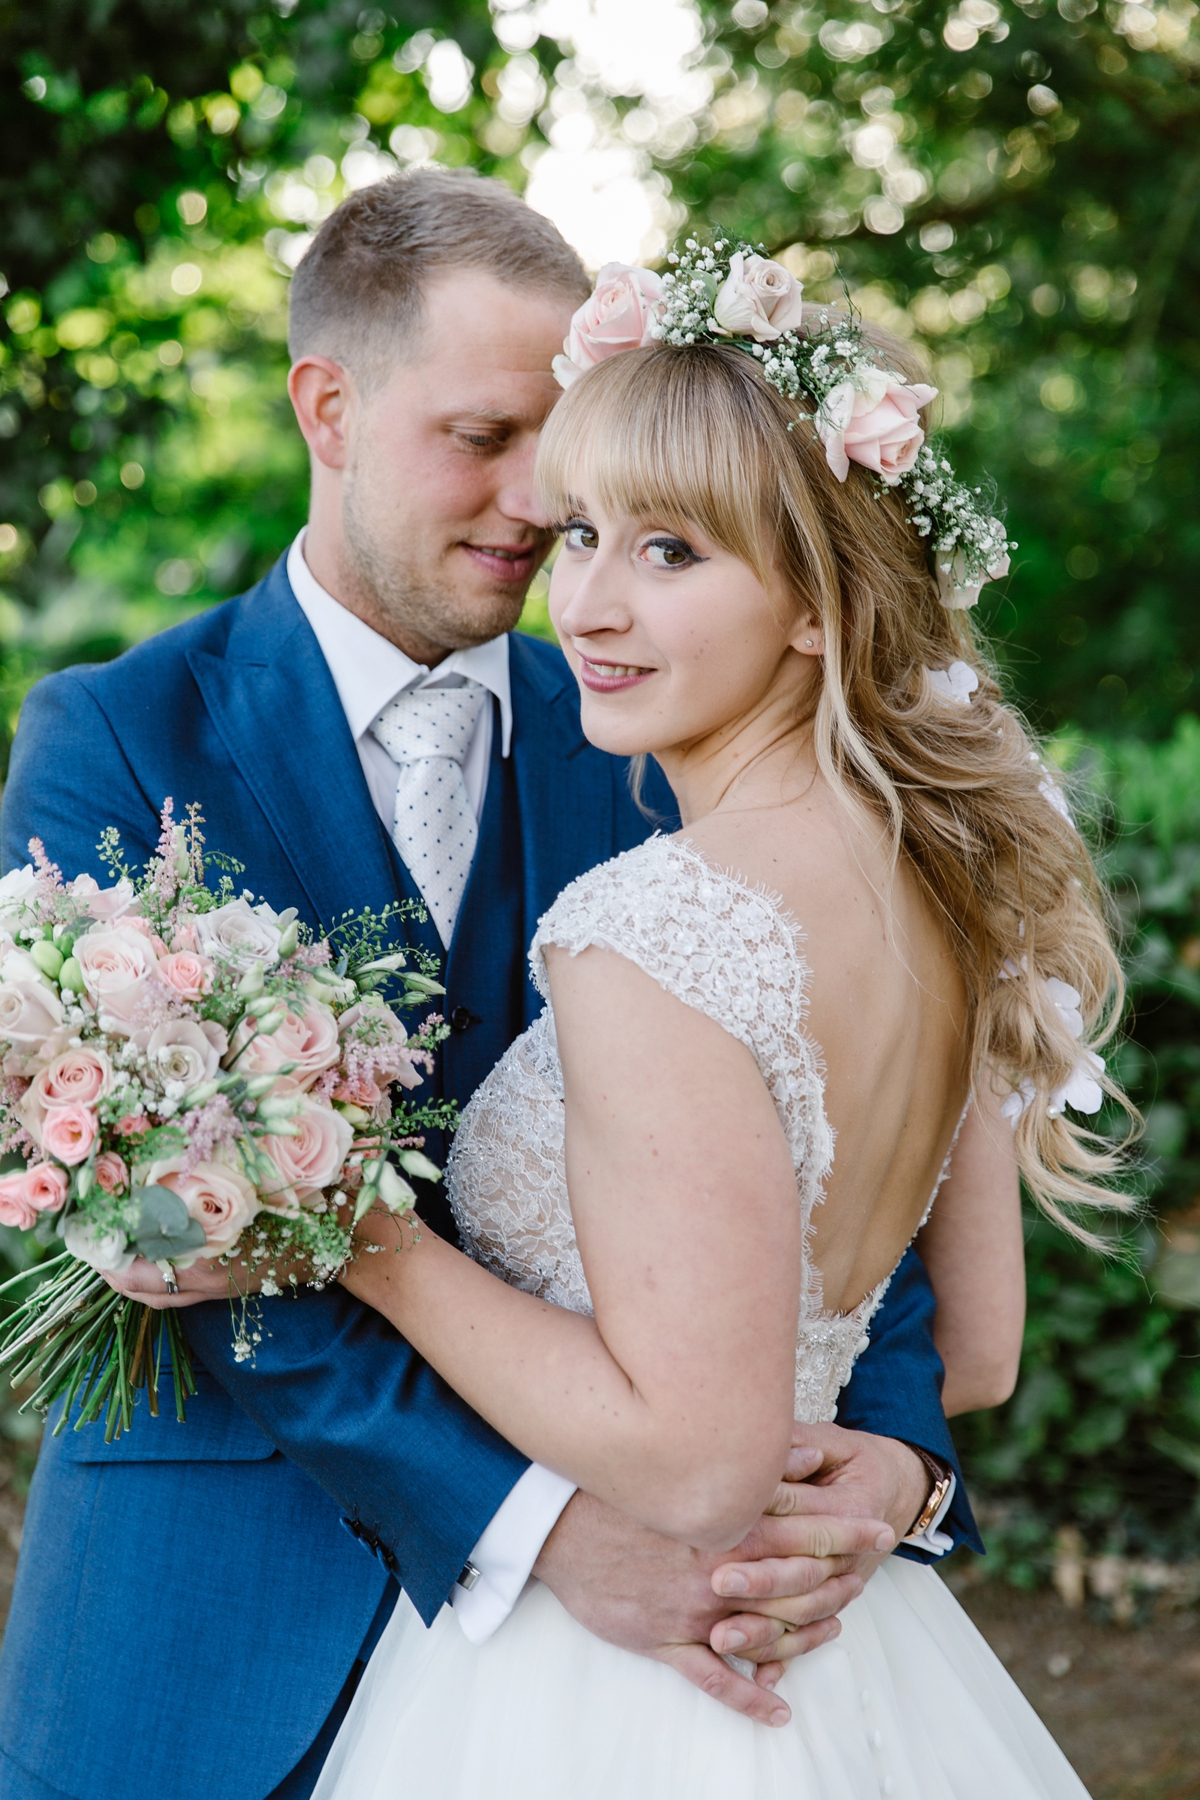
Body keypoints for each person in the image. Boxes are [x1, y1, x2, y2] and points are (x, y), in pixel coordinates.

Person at [0, 176, 987, 1800]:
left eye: (565, 439)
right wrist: (534, 1532)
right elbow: (170, 1229)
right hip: (203, 1637)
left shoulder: (662, 714)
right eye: (482, 434)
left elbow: (824, 1149)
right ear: (329, 404)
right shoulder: (117, 738)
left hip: (642, 1676)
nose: (537, 499)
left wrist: (894, 1455)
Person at [293, 270, 1133, 1796]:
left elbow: (694, 1462)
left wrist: (370, 1243)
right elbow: (983, 1347)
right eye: (586, 534)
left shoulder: (650, 931)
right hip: (846, 1647)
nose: (591, 603)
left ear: (819, 605)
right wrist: (874, 1469)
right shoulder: (945, 900)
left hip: (626, 1698)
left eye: (670, 552)